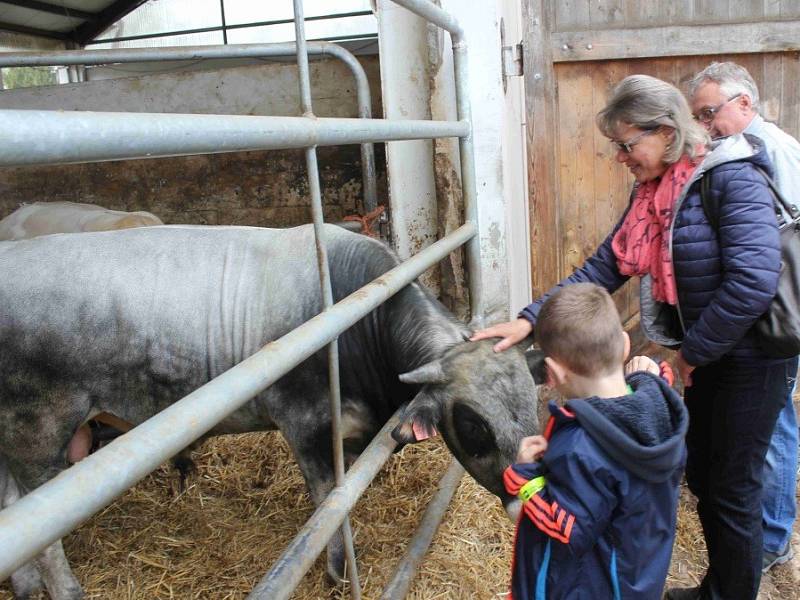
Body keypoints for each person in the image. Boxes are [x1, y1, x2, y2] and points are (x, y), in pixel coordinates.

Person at [473, 74, 797, 600]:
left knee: (733, 487)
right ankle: (718, 587)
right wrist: (531, 318)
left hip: (753, 355)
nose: (621, 157)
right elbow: (604, 266)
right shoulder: (655, 192)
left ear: (667, 132)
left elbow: (753, 281)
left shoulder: (731, 178)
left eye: (628, 144)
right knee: (710, 481)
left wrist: (691, 354)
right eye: (616, 147)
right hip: (714, 349)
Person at [503, 282, 688, 600]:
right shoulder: (660, 406)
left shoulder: (580, 449)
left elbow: (566, 528)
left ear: (553, 372)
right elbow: (656, 381)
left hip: (589, 588)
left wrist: (525, 479)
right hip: (637, 575)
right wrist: (648, 380)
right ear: (626, 346)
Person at [687, 61, 800, 574]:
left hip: (776, 316)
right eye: (698, 117)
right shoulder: (744, 152)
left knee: (770, 431)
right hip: (768, 314)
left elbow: (767, 257)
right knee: (772, 426)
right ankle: (766, 533)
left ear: (745, 104)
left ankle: (771, 537)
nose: (706, 126)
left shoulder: (766, 152)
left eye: (711, 113)